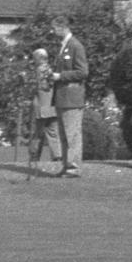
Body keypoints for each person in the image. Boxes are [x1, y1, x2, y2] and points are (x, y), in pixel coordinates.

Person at [51, 17, 90, 177]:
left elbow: (83, 72)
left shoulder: (75, 46)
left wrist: (60, 76)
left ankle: (73, 168)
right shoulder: (64, 46)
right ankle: (67, 166)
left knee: (72, 134)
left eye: (54, 28)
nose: (52, 32)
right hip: (62, 97)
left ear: (62, 27)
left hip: (72, 98)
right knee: (64, 135)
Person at [26, 46, 60, 173]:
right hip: (52, 107)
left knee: (37, 134)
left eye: (34, 58)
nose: (33, 60)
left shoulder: (40, 70)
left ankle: (34, 157)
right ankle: (57, 157)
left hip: (41, 107)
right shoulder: (50, 70)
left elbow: (41, 87)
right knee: (53, 133)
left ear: (39, 59)